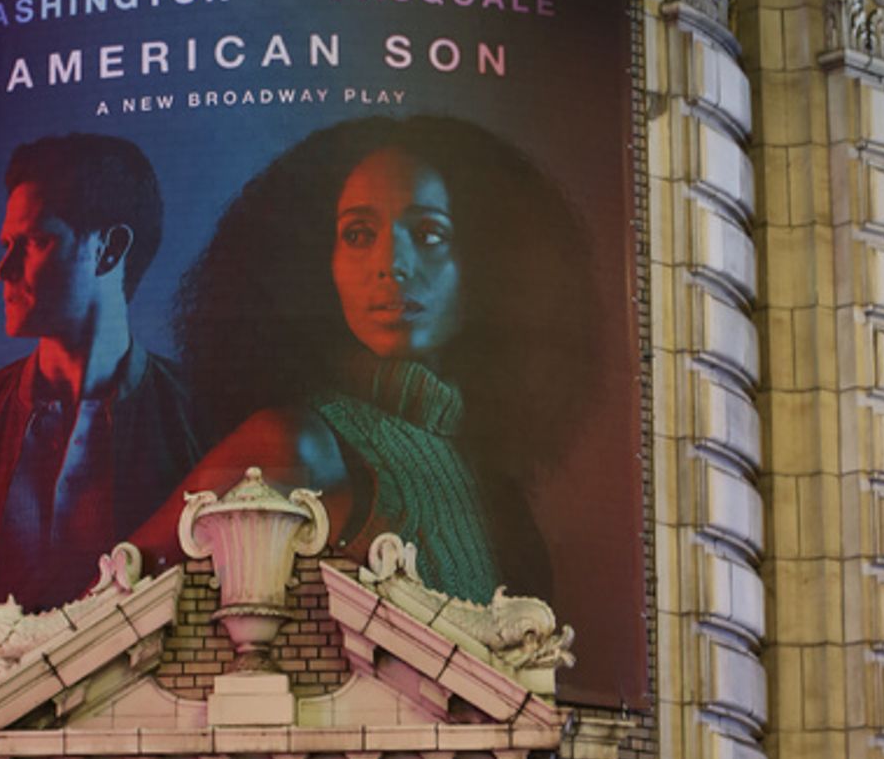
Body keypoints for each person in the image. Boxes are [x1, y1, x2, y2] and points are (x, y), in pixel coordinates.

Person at [135, 116, 600, 606]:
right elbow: (102, 610)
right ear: (318, 262)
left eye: (428, 233)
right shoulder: (296, 445)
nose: (391, 263)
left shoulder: (486, 473)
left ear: (485, 263)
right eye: (357, 234)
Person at [0, 134, 201, 718]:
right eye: (7, 243)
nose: (2, 268)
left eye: (32, 242)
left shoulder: (198, 419)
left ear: (109, 249)